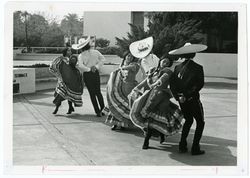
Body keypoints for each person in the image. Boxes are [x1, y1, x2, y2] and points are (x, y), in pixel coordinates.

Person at [129, 58, 183, 149]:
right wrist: (137, 88)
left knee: (155, 119)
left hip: (161, 97)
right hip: (151, 96)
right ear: (160, 60)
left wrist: (157, 83)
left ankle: (149, 140)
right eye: (164, 61)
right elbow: (146, 80)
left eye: (168, 62)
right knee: (149, 119)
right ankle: (153, 138)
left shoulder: (168, 71)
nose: (165, 63)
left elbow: (164, 77)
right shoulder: (153, 70)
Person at [169, 42, 207, 155]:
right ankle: (195, 148)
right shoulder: (198, 68)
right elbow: (199, 84)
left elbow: (172, 85)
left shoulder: (177, 68)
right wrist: (188, 95)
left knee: (188, 120)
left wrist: (178, 97)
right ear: (194, 54)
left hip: (182, 101)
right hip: (193, 99)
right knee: (200, 122)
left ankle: (182, 145)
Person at [104, 52, 140, 130]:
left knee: (125, 105)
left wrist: (122, 68)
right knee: (116, 103)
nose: (129, 58)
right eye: (128, 56)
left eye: (131, 56)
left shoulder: (135, 65)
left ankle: (124, 124)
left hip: (129, 87)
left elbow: (131, 67)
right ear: (125, 56)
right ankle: (115, 123)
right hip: (118, 86)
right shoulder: (122, 64)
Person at [72, 36, 106, 117]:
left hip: (87, 75)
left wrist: (89, 69)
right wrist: (96, 67)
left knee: (92, 94)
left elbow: (80, 66)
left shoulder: (80, 55)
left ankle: (97, 111)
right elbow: (103, 59)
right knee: (98, 92)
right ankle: (103, 109)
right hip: (95, 73)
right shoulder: (96, 52)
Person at [49, 46, 83, 115]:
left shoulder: (72, 58)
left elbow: (75, 68)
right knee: (60, 94)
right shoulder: (60, 59)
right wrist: (58, 75)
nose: (70, 52)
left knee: (69, 94)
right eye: (68, 51)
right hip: (62, 81)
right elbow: (52, 66)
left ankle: (70, 107)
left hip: (71, 80)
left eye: (70, 50)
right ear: (65, 52)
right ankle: (57, 108)